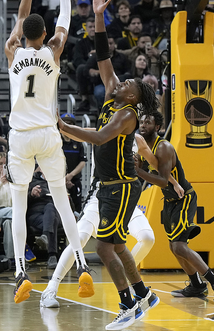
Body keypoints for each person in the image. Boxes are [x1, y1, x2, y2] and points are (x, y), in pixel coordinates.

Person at [56, 0, 191, 329]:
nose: (122, 81)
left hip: (121, 186)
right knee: (116, 245)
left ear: (134, 96)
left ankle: (128, 304)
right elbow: (103, 55)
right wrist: (99, 16)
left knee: (104, 249)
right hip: (111, 186)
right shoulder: (112, 96)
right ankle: (144, 293)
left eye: (128, 82)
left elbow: (101, 136)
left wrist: (65, 126)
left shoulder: (128, 114)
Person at [3, 0, 94, 305]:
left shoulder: (13, 50)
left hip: (20, 137)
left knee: (20, 205)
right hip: (47, 133)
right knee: (62, 200)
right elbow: (65, 17)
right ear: (44, 34)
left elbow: (22, 15)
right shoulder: (52, 50)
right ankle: (82, 265)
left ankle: (20, 274)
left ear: (24, 34)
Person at [40, 113, 173, 310]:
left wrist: (174, 183)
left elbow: (156, 165)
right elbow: (75, 132)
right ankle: (51, 288)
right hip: (99, 198)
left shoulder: (137, 140)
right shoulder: (101, 134)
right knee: (80, 238)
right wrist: (58, 123)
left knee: (147, 237)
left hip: (125, 200)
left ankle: (125, 277)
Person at [131, 110, 214, 304]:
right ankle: (197, 285)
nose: (143, 125)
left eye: (148, 122)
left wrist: (138, 171)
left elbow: (161, 180)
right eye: (141, 122)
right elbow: (148, 170)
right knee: (174, 247)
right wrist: (135, 168)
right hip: (169, 201)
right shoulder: (144, 148)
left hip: (183, 199)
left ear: (157, 127)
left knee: (179, 246)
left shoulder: (164, 147)